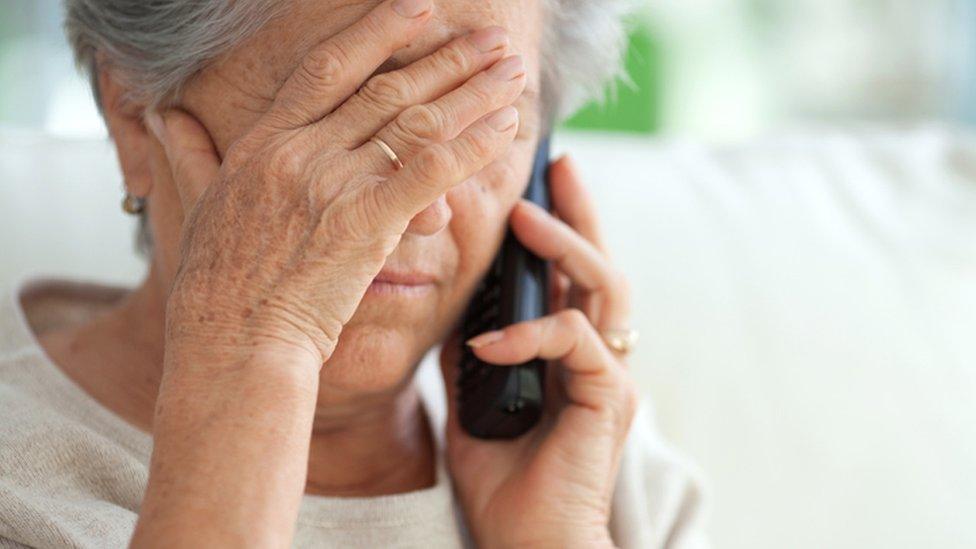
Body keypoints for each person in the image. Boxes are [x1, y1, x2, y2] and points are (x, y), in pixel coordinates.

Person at [0, 0, 708, 547]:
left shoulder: (596, 464)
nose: (420, 209)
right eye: (345, 121)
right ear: (133, 114)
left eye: (482, 118)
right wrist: (252, 357)